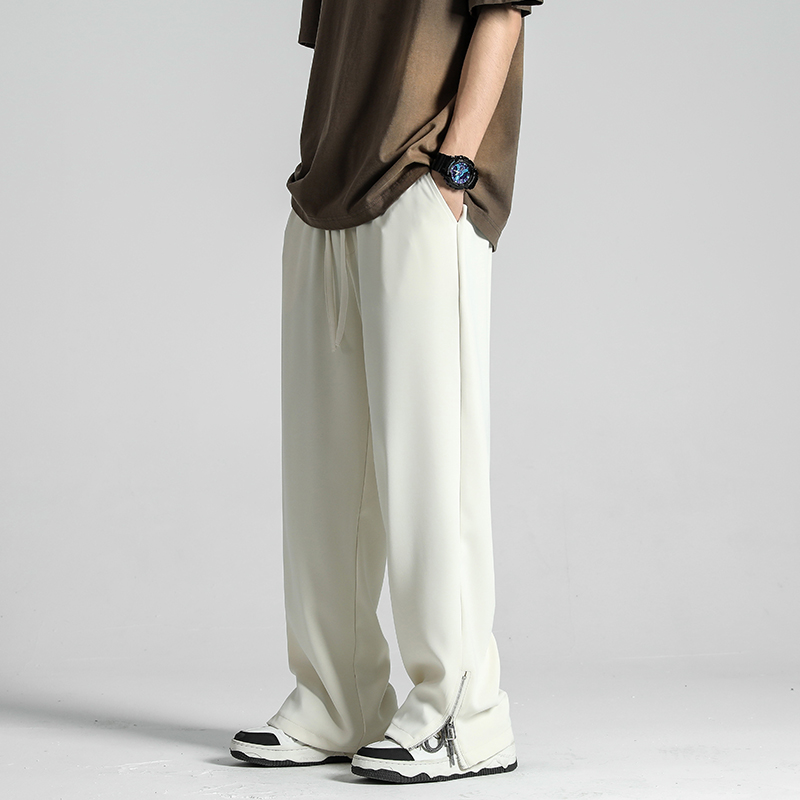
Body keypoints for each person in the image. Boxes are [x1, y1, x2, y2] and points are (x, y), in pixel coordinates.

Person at [229, 0, 542, 784]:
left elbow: (502, 16)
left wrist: (454, 172)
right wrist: (317, 169)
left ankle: (464, 717)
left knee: (432, 466)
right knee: (323, 472)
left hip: (420, 182)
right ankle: (335, 699)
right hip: (326, 194)